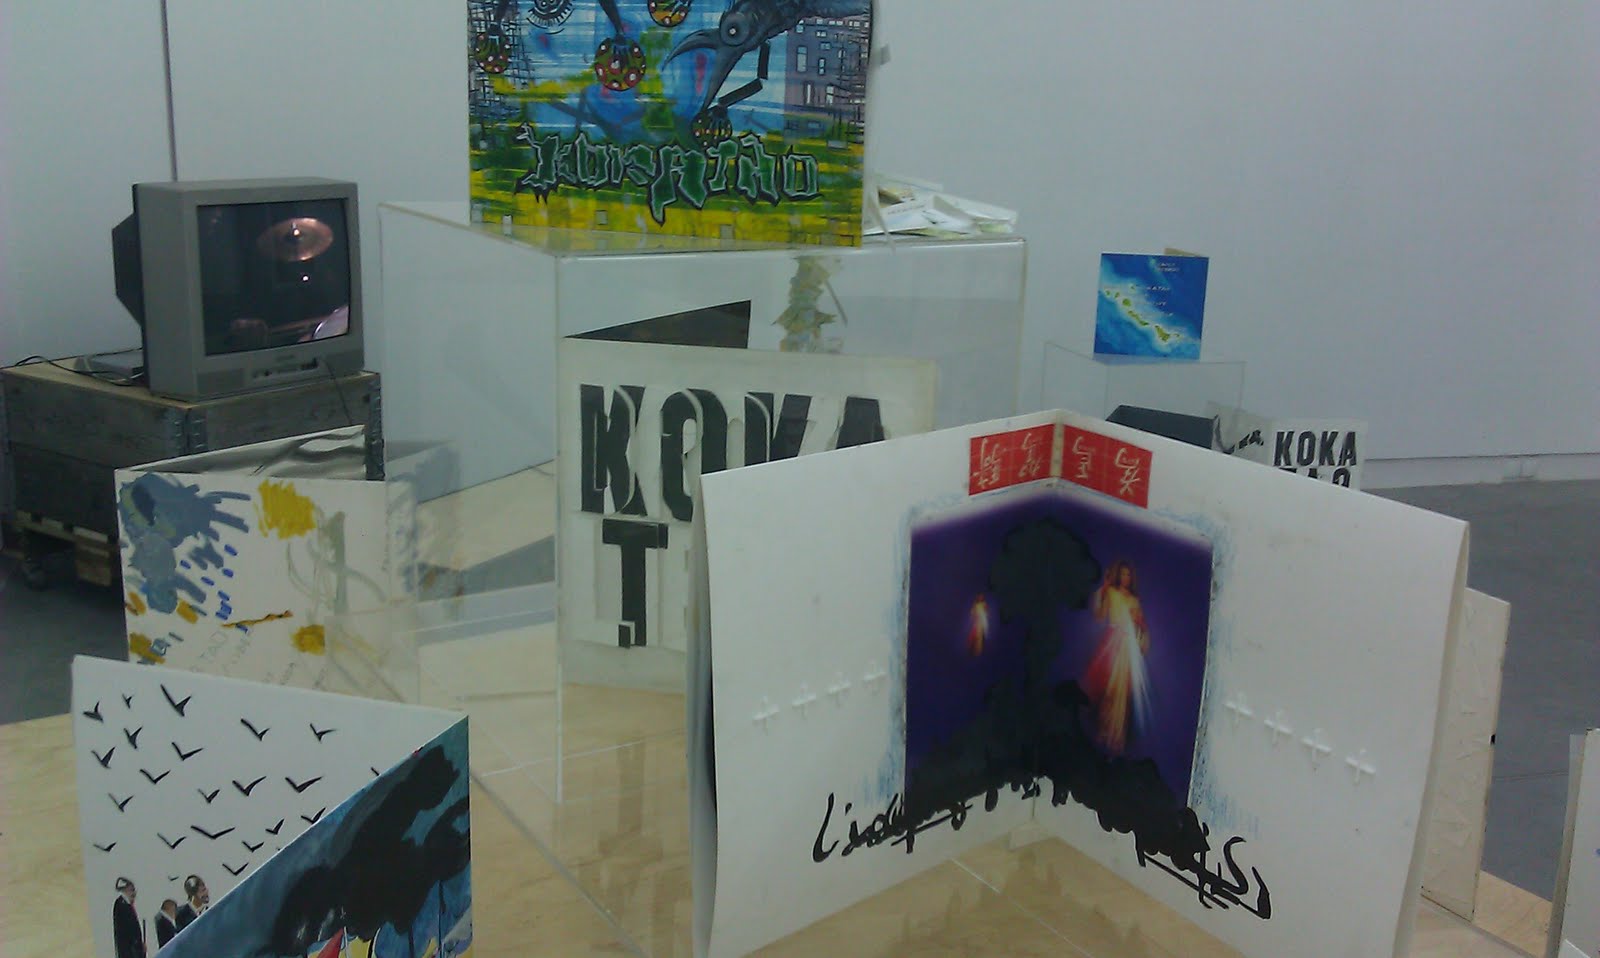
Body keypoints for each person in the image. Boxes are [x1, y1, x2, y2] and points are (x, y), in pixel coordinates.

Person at [1082, 560, 1152, 753]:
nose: (1125, 578)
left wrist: (1140, 627)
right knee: (1109, 689)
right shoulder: (1112, 593)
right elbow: (1100, 615)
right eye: (1122, 574)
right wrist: (1103, 590)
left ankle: (1116, 738)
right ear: (1118, 576)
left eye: (1128, 575)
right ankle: (1103, 733)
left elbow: (1142, 627)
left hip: (1127, 649)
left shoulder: (1134, 601)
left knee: (1122, 693)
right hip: (1111, 644)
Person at [112, 877, 146, 958]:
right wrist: (137, 945)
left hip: (133, 948)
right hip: (130, 950)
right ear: (126, 889)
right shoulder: (122, 905)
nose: (134, 893)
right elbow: (129, 929)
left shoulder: (126, 905)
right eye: (132, 890)